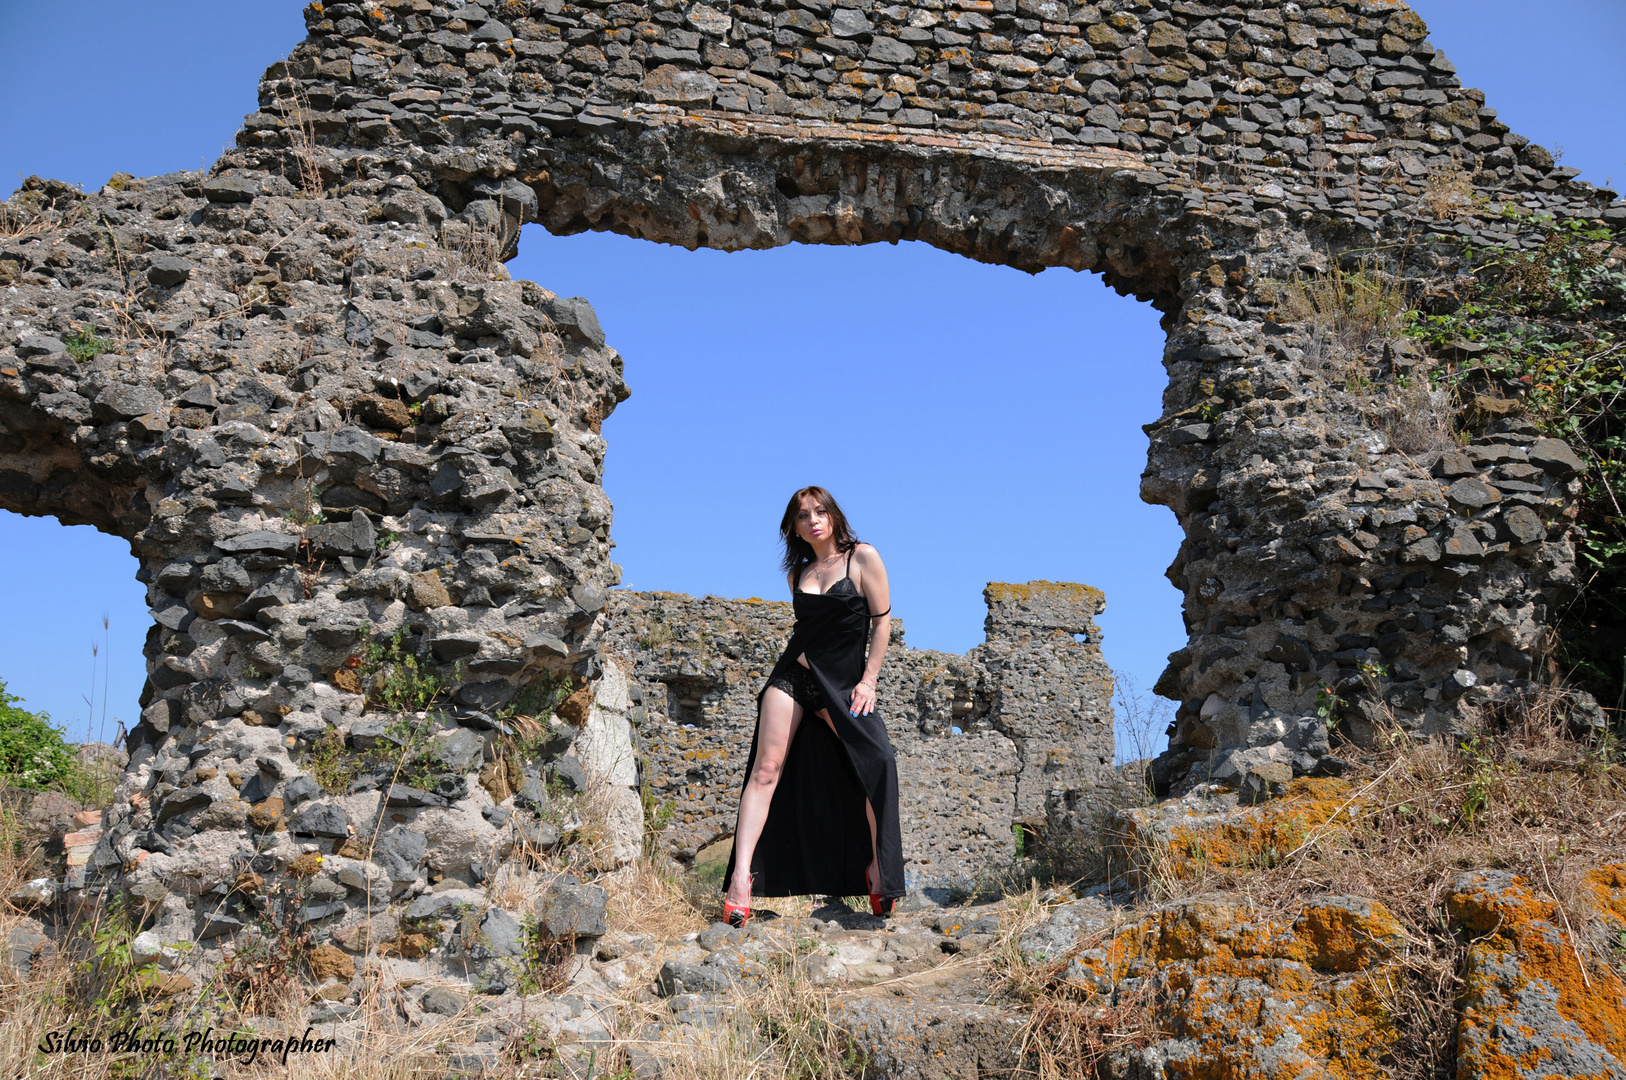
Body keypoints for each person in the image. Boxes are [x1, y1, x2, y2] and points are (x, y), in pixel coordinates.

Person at [721, 486, 904, 927]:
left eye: (821, 512)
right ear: (795, 528)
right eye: (804, 516)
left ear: (834, 516)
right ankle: (740, 881)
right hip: (792, 677)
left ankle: (877, 869)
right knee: (766, 771)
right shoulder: (798, 573)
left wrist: (869, 681)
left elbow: (881, 625)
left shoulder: (862, 557)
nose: (814, 520)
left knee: (877, 764)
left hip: (842, 686)